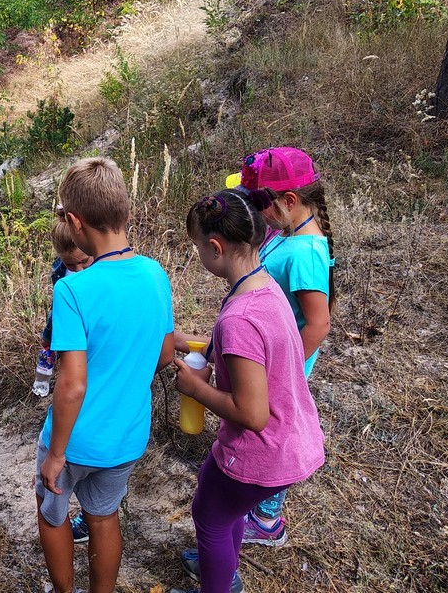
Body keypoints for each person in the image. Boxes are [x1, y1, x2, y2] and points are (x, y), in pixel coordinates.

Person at [170, 189, 325, 593]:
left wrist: (195, 388)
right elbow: (254, 354)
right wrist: (193, 343)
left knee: (209, 517)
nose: (199, 255)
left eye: (198, 247)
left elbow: (252, 414)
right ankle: (224, 570)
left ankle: (218, 581)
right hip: (291, 439)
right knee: (223, 509)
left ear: (216, 248)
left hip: (261, 451)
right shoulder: (266, 288)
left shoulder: (239, 318)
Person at [37, 157, 175, 593]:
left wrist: (56, 454)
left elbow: (72, 384)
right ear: (126, 212)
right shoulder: (155, 273)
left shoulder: (72, 289)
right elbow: (165, 353)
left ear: (75, 223)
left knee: (52, 513)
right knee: (103, 517)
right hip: (126, 437)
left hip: (75, 438)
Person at [229, 146, 335, 545]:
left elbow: (318, 322)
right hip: (268, 354)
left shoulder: (305, 252)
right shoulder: (288, 234)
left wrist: (285, 368)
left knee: (277, 431)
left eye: (261, 204)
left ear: (289, 201)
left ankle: (267, 518)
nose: (257, 212)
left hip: (279, 364)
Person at [34, 217, 93, 397]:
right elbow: (57, 306)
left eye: (84, 261)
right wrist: (48, 336)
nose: (79, 269)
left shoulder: (103, 268)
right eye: (71, 264)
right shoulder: (60, 272)